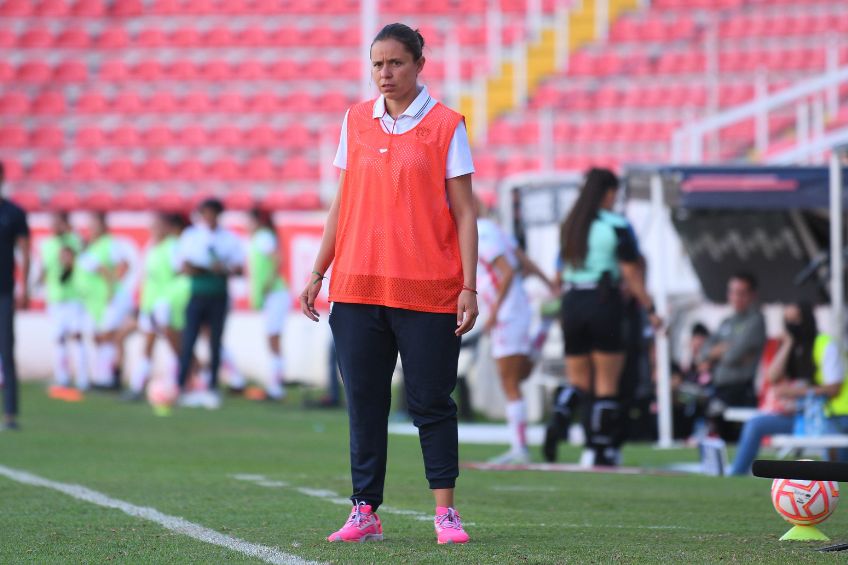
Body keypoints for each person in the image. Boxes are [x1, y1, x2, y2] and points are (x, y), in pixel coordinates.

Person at [300, 23, 477, 545]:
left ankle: (446, 515)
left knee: (431, 402)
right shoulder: (355, 120)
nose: (385, 74)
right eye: (377, 64)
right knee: (365, 401)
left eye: (396, 63)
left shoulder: (446, 125)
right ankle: (364, 510)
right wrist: (317, 270)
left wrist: (468, 285)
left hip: (428, 288)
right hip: (355, 288)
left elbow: (465, 213)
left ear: (420, 63)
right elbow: (342, 202)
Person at [557, 168, 662, 467]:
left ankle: (561, 414)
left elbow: (560, 270)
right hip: (603, 300)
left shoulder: (571, 225)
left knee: (579, 382)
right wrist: (650, 309)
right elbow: (631, 272)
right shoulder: (616, 225)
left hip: (572, 300)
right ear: (608, 193)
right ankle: (599, 448)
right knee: (606, 382)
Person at [476, 199, 557, 464]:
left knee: (510, 380)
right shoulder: (495, 229)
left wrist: (495, 312)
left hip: (508, 312)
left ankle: (519, 448)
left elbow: (507, 271)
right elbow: (523, 261)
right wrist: (549, 284)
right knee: (517, 375)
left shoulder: (480, 232)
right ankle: (543, 331)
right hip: (516, 307)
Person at [727, 303, 824, 475]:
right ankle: (737, 472)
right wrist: (788, 343)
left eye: (796, 320)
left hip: (814, 416)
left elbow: (830, 387)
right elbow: (772, 376)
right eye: (787, 320)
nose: (792, 325)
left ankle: (736, 473)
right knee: (755, 423)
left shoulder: (819, 345)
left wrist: (795, 392)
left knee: (755, 424)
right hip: (791, 415)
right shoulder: (791, 348)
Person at [175, 198, 244, 409]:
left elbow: (239, 269)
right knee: (189, 341)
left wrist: (221, 269)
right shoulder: (192, 236)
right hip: (197, 295)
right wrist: (211, 269)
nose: (209, 217)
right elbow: (183, 266)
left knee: (215, 342)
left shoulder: (229, 239)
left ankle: (213, 385)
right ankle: (181, 385)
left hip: (218, 296)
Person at [697, 272, 767, 440]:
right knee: (721, 441)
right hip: (721, 390)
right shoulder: (727, 322)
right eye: (733, 292)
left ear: (752, 295)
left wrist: (717, 354)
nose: (736, 297)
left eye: (742, 293)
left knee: (738, 441)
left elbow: (732, 356)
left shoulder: (755, 321)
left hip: (741, 391)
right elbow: (703, 353)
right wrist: (719, 351)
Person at [125, 213, 185, 400]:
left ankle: (177, 383)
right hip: (149, 304)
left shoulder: (173, 247)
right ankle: (138, 385)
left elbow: (179, 274)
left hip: (166, 304)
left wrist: (171, 299)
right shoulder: (151, 248)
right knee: (148, 345)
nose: (154, 230)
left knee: (174, 344)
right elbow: (147, 279)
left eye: (158, 226)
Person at [78, 212, 135, 390]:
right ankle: (105, 376)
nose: (91, 230)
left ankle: (110, 378)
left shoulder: (109, 244)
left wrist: (112, 288)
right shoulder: (91, 247)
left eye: (94, 225)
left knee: (108, 336)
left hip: (109, 300)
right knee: (100, 338)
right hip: (95, 302)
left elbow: (123, 266)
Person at [40, 212, 90, 392]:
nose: (55, 227)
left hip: (74, 296)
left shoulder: (74, 240)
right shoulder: (46, 245)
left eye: (58, 223)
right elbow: (46, 268)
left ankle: (83, 379)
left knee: (77, 336)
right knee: (59, 338)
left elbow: (78, 259)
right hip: (55, 297)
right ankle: (62, 377)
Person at [0, 162, 30, 430]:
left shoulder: (14, 213)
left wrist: (26, 287)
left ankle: (10, 413)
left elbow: (25, 251)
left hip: (5, 291)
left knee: (7, 350)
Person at [247, 207, 289, 400]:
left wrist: (269, 283)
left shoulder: (263, 236)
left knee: (273, 338)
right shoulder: (261, 237)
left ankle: (276, 386)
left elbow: (276, 258)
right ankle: (275, 384)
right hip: (273, 295)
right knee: (273, 338)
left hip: (275, 294)